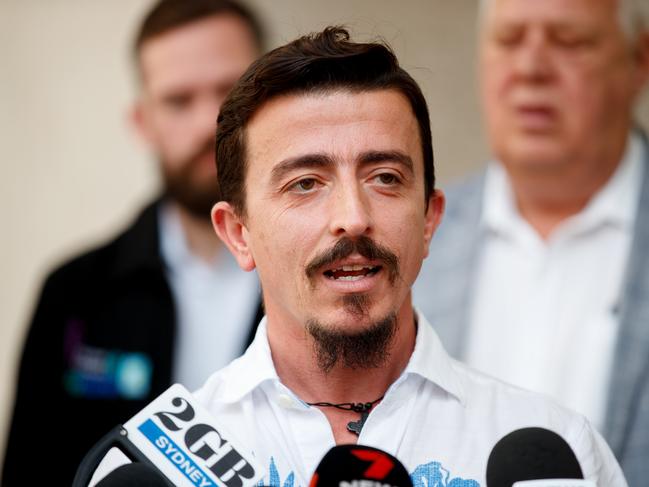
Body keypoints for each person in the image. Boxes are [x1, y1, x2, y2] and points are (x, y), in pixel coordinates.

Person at [195, 27, 626, 486]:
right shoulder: (165, 461)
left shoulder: (557, 454)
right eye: (305, 183)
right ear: (239, 233)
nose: (353, 217)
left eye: (384, 177)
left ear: (429, 220)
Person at [2, 1, 264, 485]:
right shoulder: (73, 294)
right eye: (179, 100)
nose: (211, 120)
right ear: (143, 122)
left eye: (232, 91)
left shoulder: (331, 281)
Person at [412, 0, 649, 484]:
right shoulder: (412, 239)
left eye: (569, 42)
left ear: (639, 59)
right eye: (509, 39)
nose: (530, 68)